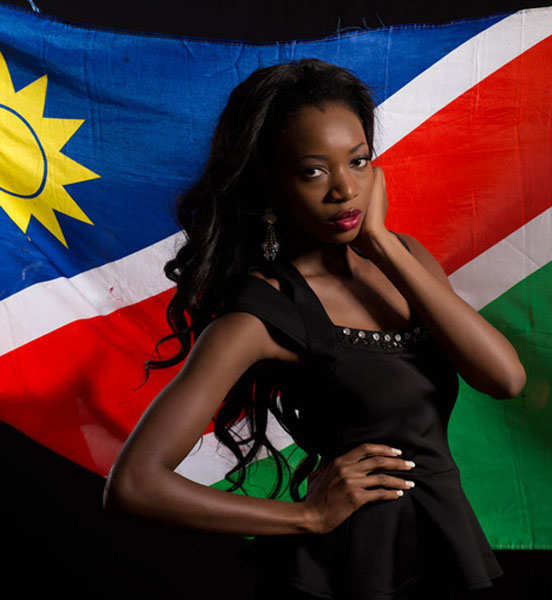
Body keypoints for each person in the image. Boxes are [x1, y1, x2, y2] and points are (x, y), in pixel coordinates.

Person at [103, 57, 525, 599]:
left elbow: (505, 379)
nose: (344, 191)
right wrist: (307, 516)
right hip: (346, 573)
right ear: (270, 183)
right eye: (314, 171)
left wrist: (382, 248)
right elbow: (134, 484)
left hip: (445, 547)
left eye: (358, 161)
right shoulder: (262, 312)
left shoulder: (406, 260)